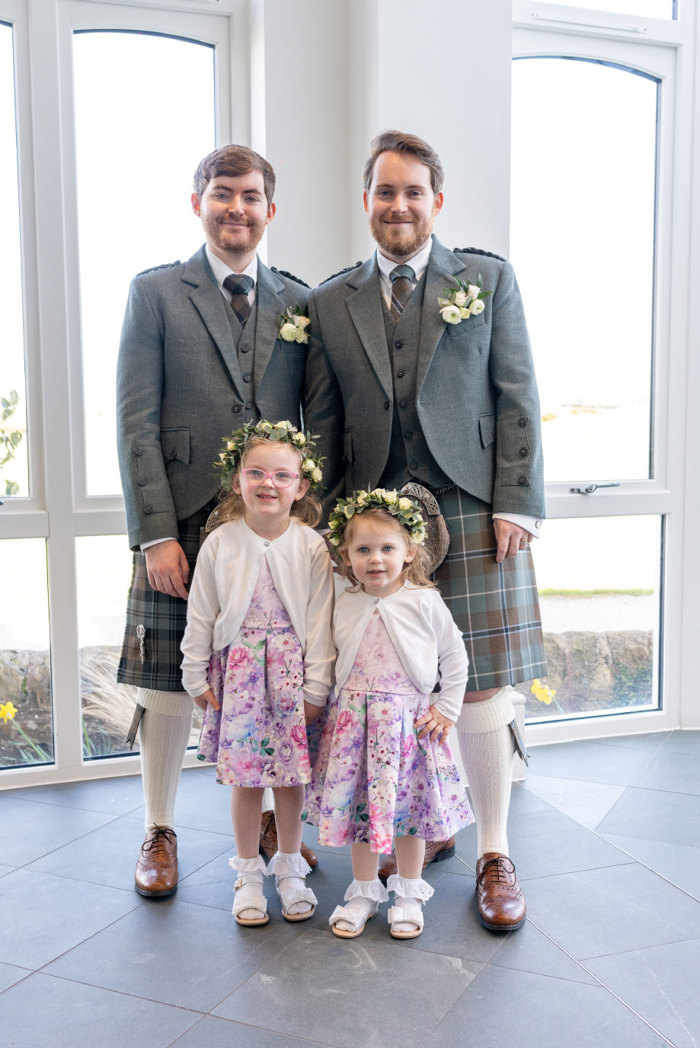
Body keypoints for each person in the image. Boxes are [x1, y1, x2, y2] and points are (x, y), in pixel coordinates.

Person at [304, 130, 547, 932]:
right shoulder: (334, 301)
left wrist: (519, 500)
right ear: (366, 202)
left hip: (474, 503)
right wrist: (330, 533)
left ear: (436, 201)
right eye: (384, 192)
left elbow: (517, 396)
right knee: (391, 685)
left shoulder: (486, 278)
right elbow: (329, 424)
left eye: (413, 192)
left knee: (477, 683)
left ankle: (493, 853)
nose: (398, 205)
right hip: (373, 522)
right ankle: (420, 826)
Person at [116, 144, 316, 898]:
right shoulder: (156, 293)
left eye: (252, 196)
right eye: (223, 193)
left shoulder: (301, 302)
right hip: (182, 517)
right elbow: (135, 424)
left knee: (274, 678)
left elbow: (312, 420)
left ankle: (271, 821)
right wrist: (156, 534)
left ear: (271, 210)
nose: (237, 208)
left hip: (271, 525)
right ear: (198, 202)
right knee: (169, 682)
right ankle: (159, 829)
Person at [180, 421, 334, 925]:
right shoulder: (221, 542)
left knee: (291, 782)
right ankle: (248, 874)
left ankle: (289, 868)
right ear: (237, 480)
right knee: (246, 782)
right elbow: (201, 613)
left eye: (281, 475)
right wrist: (196, 675)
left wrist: (315, 688)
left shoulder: (311, 546)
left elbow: (321, 622)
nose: (269, 484)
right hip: (240, 677)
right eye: (256, 473)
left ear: (301, 486)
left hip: (291, 679)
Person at [304, 488, 472, 939]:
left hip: (407, 727)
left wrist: (447, 708)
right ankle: (362, 891)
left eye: (386, 548)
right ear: (346, 554)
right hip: (355, 725)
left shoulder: (423, 600)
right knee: (363, 812)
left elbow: (455, 656)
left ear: (408, 551)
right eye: (363, 550)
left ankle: (409, 894)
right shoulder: (345, 598)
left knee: (410, 812)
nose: (375, 559)